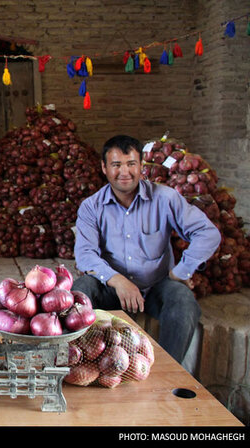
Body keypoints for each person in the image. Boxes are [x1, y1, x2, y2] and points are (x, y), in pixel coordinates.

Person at [72, 135, 221, 364]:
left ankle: (170, 371)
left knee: (183, 300)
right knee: (80, 290)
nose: (125, 172)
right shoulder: (91, 207)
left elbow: (208, 233)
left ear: (142, 166)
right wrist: (118, 280)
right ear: (104, 168)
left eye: (131, 164)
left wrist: (182, 270)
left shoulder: (165, 198)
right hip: (110, 288)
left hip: (155, 287)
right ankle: (80, 363)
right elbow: (85, 254)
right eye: (116, 165)